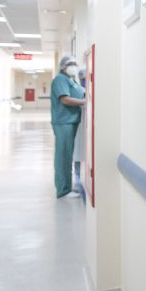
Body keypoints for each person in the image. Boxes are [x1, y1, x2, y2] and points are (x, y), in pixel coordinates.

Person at [51, 56, 86, 198]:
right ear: (62, 67)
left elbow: (80, 91)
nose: (73, 66)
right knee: (63, 156)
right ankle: (63, 190)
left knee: (67, 155)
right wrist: (83, 102)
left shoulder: (72, 80)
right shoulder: (60, 79)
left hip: (70, 122)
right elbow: (64, 99)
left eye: (75, 64)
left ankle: (67, 187)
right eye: (70, 64)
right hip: (63, 122)